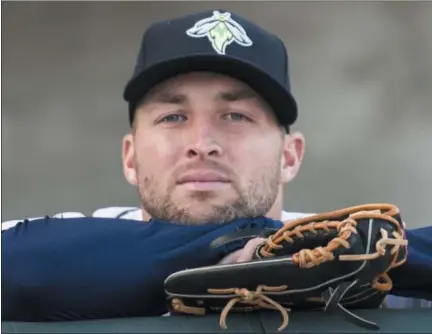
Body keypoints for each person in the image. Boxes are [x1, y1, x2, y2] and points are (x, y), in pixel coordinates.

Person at [2, 9, 431, 322]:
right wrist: (245, 248)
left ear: (290, 155)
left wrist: (381, 257)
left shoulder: (355, 252)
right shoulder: (70, 244)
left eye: (236, 117)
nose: (202, 144)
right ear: (130, 158)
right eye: (173, 117)